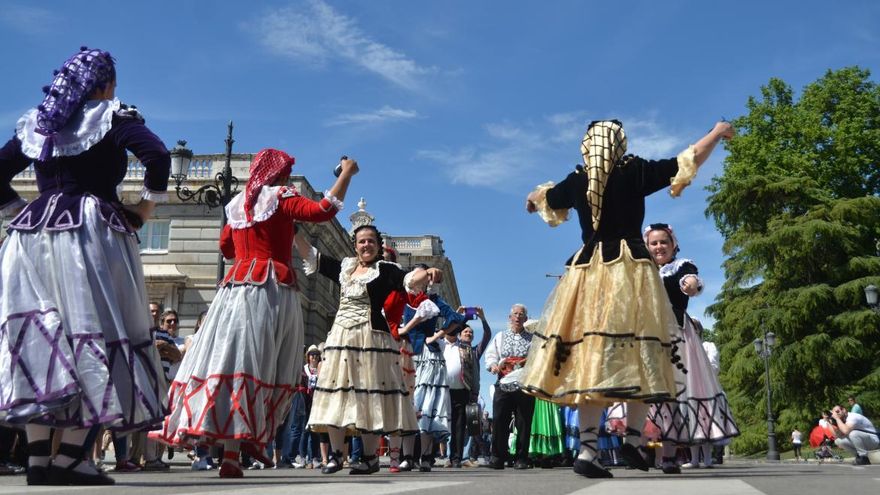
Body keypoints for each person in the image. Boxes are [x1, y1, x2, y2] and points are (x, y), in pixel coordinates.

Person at [520, 119, 734, 478]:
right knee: (642, 353)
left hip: (588, 274)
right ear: (619, 144)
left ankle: (588, 452)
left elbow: (541, 200)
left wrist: (534, 198)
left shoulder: (578, 179)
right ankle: (633, 441)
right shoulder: (633, 171)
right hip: (631, 271)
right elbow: (688, 159)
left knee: (591, 360)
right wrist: (716, 133)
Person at [0, 47, 171, 486]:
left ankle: (39, 459)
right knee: (99, 334)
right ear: (103, 84)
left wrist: (19, 209)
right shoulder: (112, 116)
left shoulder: (40, 125)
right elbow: (157, 156)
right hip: (89, 232)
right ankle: (74, 457)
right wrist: (144, 210)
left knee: (44, 340)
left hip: (32, 237)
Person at [150, 150, 358, 478]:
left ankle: (228, 448)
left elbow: (226, 249)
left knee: (232, 363)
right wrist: (346, 173)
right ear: (279, 174)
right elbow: (323, 210)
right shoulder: (280, 196)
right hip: (271, 288)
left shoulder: (236, 204)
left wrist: (252, 242)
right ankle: (242, 447)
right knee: (267, 366)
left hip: (234, 292)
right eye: (287, 172)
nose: (289, 178)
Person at [301, 225, 442, 475]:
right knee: (335, 392)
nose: (366, 245)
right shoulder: (345, 268)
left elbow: (410, 279)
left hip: (371, 337)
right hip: (341, 336)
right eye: (361, 242)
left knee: (369, 395)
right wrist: (291, 232)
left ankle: (369, 457)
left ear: (377, 245)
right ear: (355, 246)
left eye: (370, 241)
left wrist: (427, 271)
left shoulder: (386, 270)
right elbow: (313, 257)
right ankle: (335, 455)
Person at [643, 223, 739, 472]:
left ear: (673, 244)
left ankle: (668, 455)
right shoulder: (641, 270)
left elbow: (691, 279)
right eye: (653, 243)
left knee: (673, 394)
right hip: (646, 336)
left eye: (663, 242)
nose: (659, 247)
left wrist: (692, 284)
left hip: (675, 336)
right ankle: (643, 447)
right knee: (647, 393)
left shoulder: (680, 266)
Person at [483, 304, 535, 470]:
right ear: (510, 317)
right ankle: (497, 456)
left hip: (524, 384)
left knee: (524, 422)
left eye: (521, 314)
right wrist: (493, 366)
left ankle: (521, 458)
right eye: (515, 314)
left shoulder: (533, 339)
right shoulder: (500, 336)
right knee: (499, 420)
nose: (518, 317)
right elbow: (491, 355)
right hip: (504, 383)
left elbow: (539, 357)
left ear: (526, 319)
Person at [444, 308, 492, 468]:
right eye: (465, 331)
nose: (469, 334)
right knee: (448, 424)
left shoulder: (474, 351)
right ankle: (449, 457)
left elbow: (487, 336)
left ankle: (460, 458)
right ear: (459, 334)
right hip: (447, 390)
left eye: (471, 332)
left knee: (464, 425)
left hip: (466, 391)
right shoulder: (451, 346)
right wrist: (457, 314)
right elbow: (448, 329)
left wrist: (483, 318)